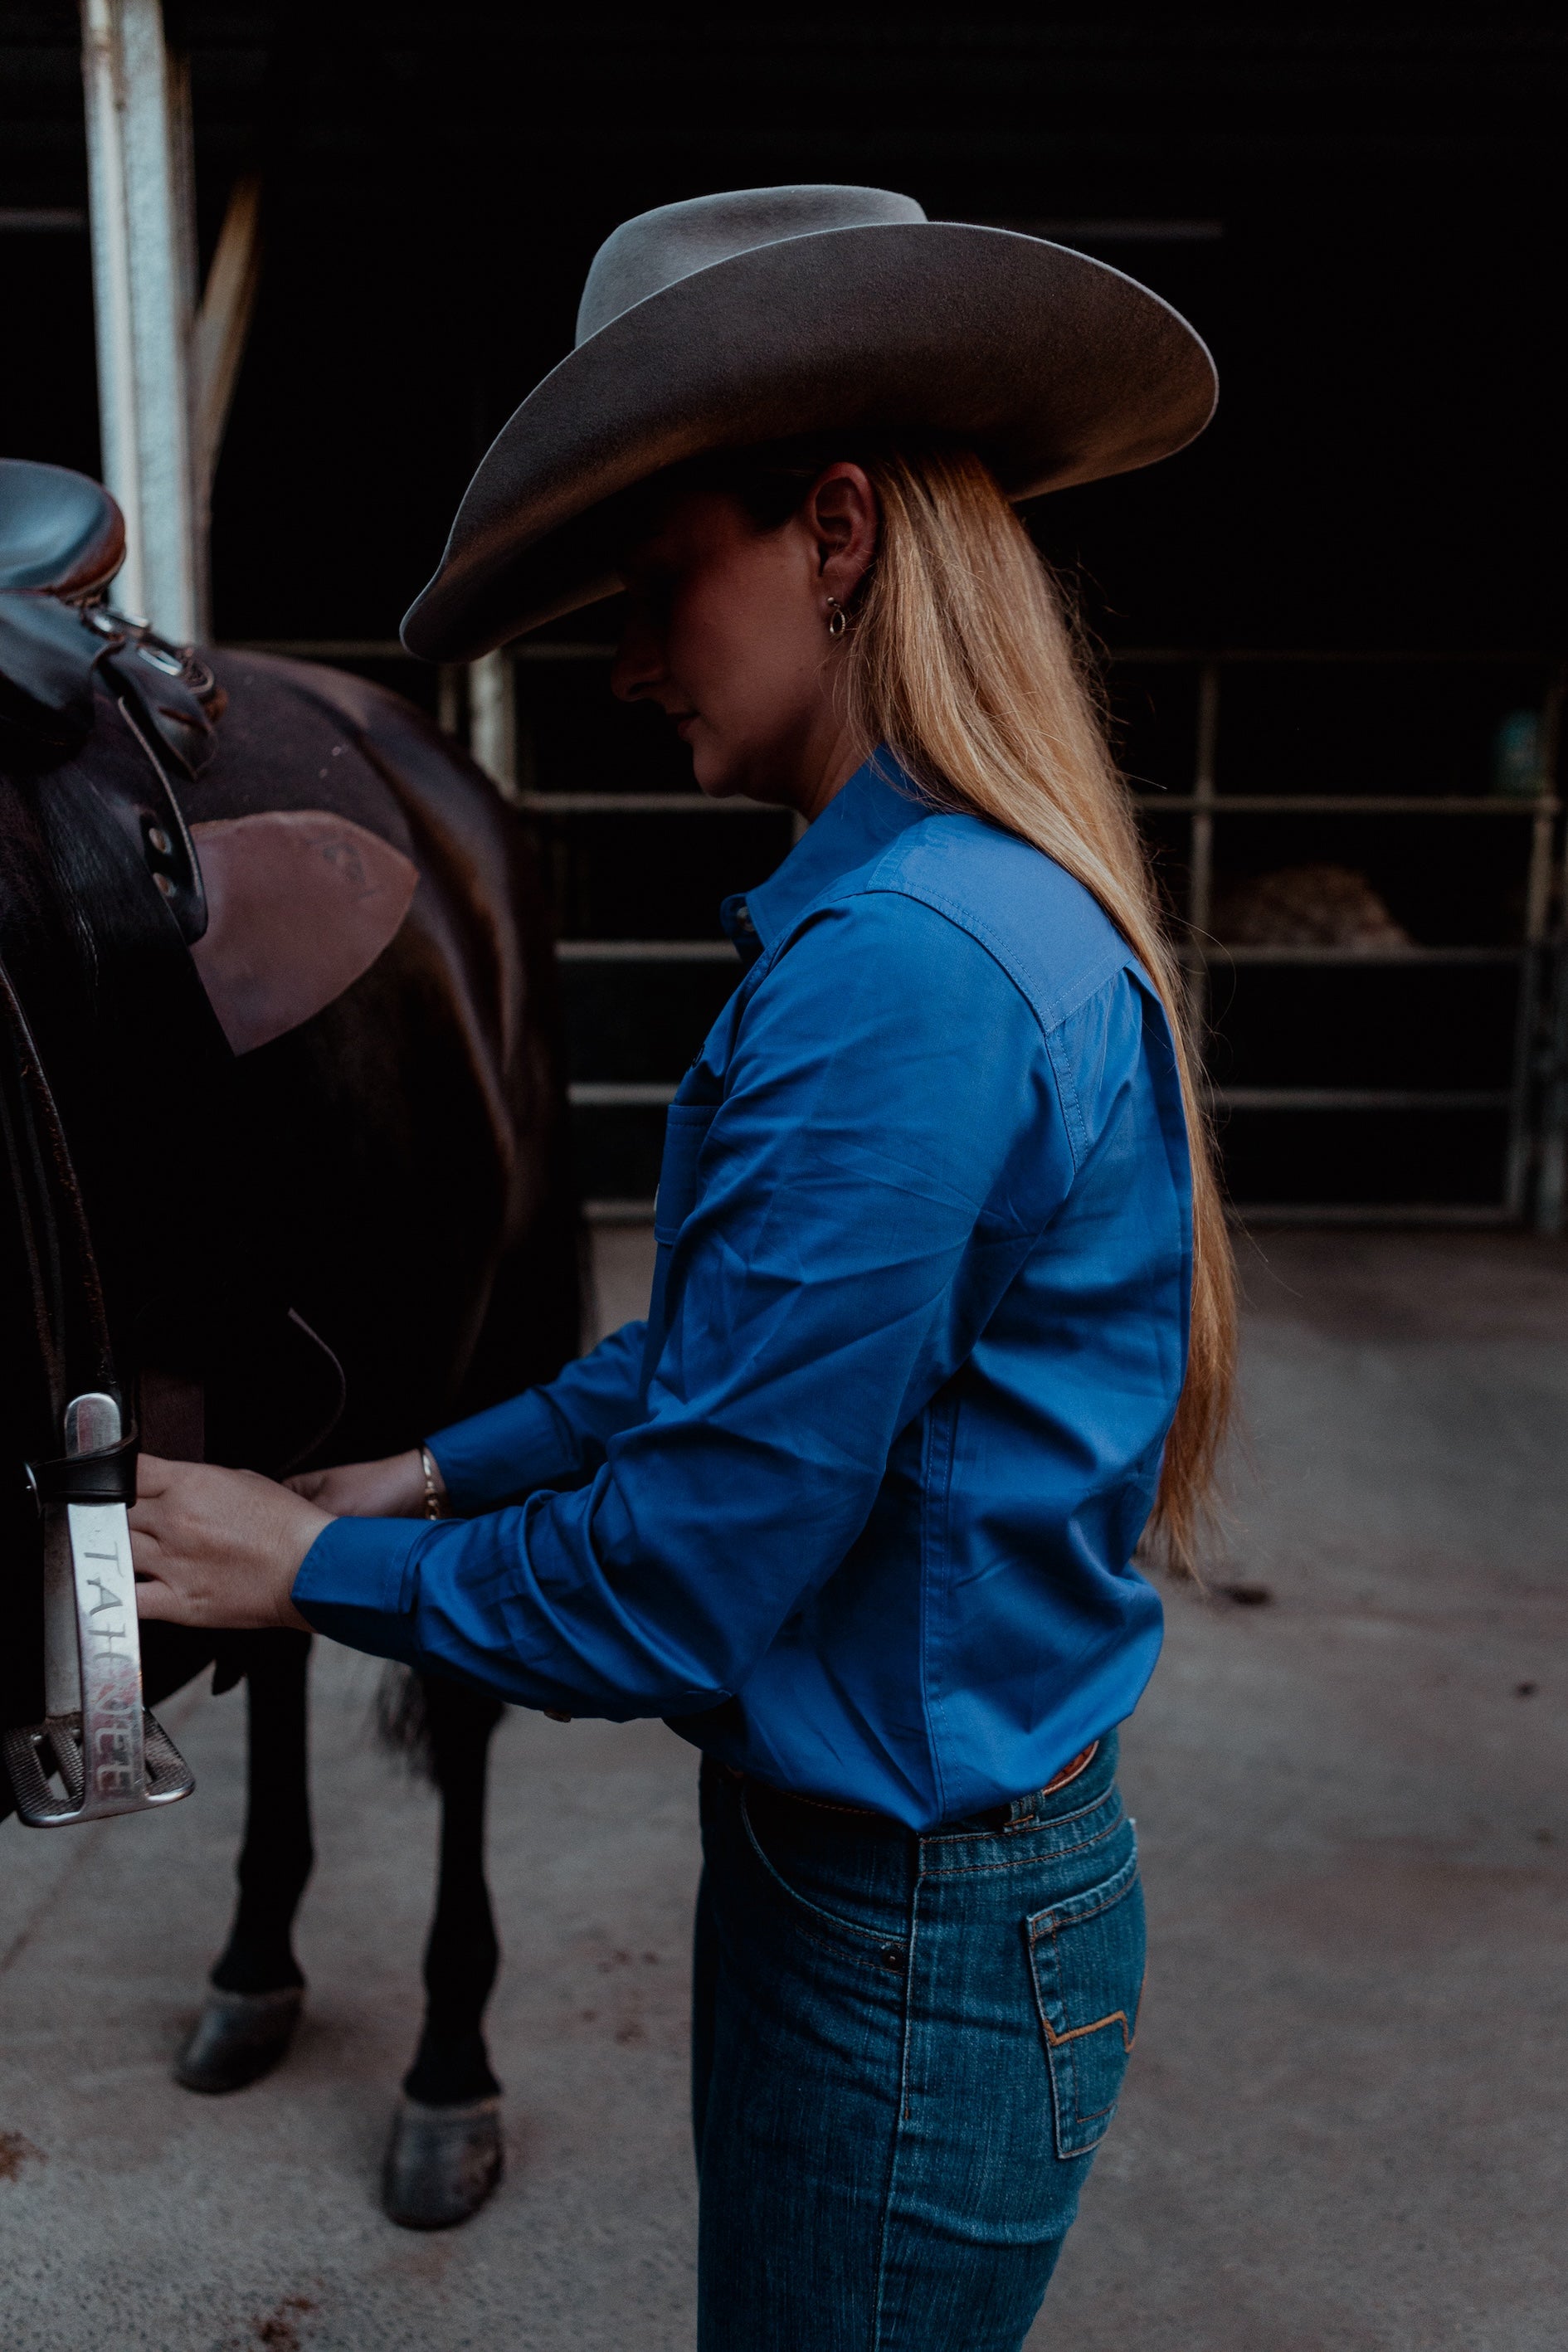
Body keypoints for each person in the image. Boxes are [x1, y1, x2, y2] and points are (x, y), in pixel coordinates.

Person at [131, 184, 1235, 2350]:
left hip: (900, 1934)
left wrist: (305, 1573)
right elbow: (704, 1376)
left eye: (658, 591)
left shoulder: (898, 967)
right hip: (906, 1891)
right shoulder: (926, 908)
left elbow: (691, 1564)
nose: (629, 665)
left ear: (835, 533)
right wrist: (424, 1476)